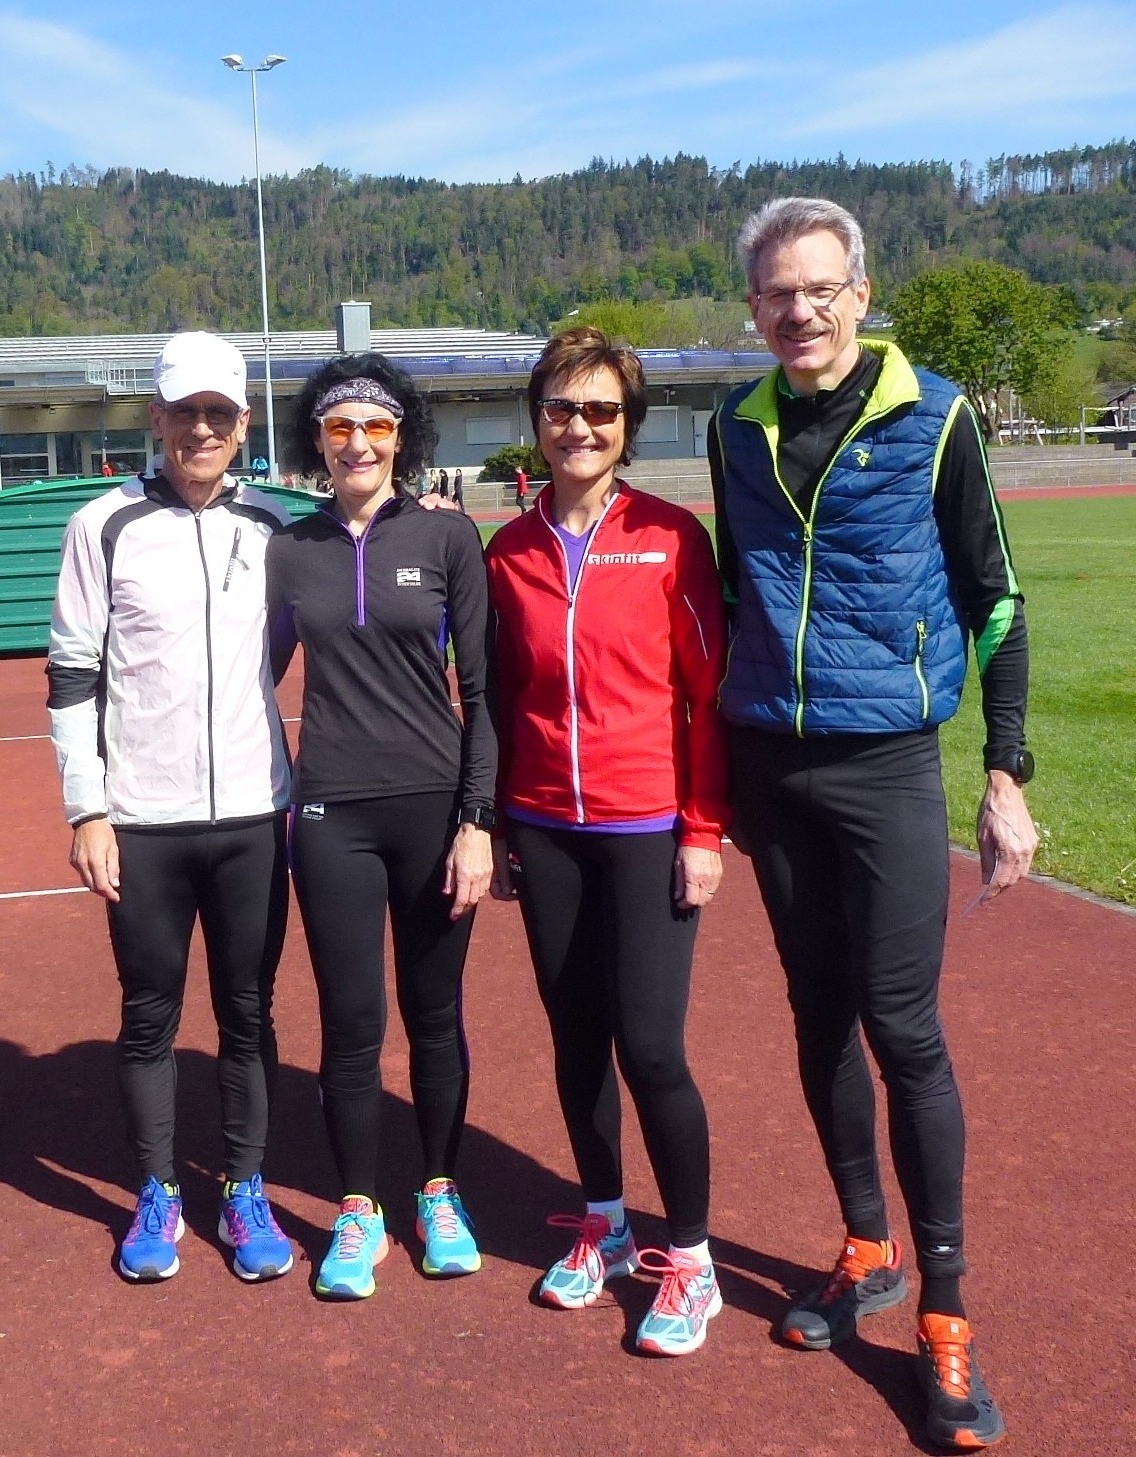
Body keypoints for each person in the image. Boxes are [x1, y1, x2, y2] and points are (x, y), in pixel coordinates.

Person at [709, 198, 1036, 1450]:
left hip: (887, 764)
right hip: (771, 770)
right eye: (776, 293)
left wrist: (1002, 773)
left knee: (902, 1023)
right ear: (753, 305)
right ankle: (864, 1247)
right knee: (816, 1013)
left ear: (859, 288)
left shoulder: (936, 414)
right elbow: (736, 586)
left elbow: (992, 599)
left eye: (820, 288)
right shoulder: (731, 426)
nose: (799, 311)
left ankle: (943, 1315)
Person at [485, 327, 730, 1357]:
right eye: (559, 408)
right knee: (576, 1036)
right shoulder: (507, 550)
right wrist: (496, 820)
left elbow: (707, 696)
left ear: (626, 426)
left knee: (652, 1043)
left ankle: (691, 1258)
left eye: (599, 411)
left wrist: (703, 829)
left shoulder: (671, 536)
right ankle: (603, 1219)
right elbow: (498, 693)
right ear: (534, 421)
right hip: (543, 824)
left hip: (645, 825)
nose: (578, 427)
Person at [47, 332, 295, 1284]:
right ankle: (158, 1191)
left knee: (249, 1012)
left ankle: (244, 1186)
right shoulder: (100, 525)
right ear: (154, 418)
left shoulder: (270, 528)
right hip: (140, 820)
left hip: (248, 819)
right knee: (150, 1012)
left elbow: (272, 656)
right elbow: (72, 675)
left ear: (240, 426)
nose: (201, 428)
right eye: (184, 411)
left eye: (219, 414)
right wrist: (87, 808)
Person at [271, 352, 496, 1300]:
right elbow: (246, 676)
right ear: (316, 442)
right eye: (339, 427)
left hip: (433, 811)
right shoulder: (290, 548)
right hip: (331, 815)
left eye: (376, 426)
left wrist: (478, 818)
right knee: (351, 1021)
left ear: (402, 438)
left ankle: (438, 1191)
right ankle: (357, 1208)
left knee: (435, 1015)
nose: (358, 443)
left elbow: (482, 689)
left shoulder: (449, 539)